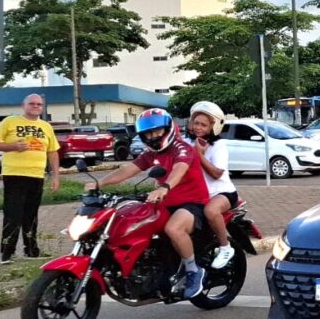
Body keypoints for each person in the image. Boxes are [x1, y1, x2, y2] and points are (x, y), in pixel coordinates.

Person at [98, 108, 210, 298]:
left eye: (157, 131)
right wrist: (98, 183)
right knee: (136, 222)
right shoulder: (150, 154)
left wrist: (164, 187)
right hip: (165, 202)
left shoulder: (182, 148)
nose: (153, 136)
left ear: (167, 129)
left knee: (173, 229)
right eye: (148, 133)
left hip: (192, 202)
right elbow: (128, 170)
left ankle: (193, 271)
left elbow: (179, 170)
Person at [0, 93, 60, 262]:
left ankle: (31, 250)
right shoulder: (10, 121)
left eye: (39, 104)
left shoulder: (46, 127)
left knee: (31, 214)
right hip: (14, 174)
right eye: (32, 104)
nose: (36, 106)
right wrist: (13, 146)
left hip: (36, 174)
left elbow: (52, 151)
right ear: (24, 105)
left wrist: (55, 176)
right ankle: (7, 252)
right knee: (13, 213)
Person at [186, 101, 237, 270]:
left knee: (211, 211)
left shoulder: (218, 145)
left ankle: (225, 247)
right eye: (196, 123)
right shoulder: (187, 142)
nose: (198, 127)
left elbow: (216, 173)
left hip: (222, 193)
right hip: (197, 195)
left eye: (203, 124)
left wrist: (199, 155)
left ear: (212, 127)